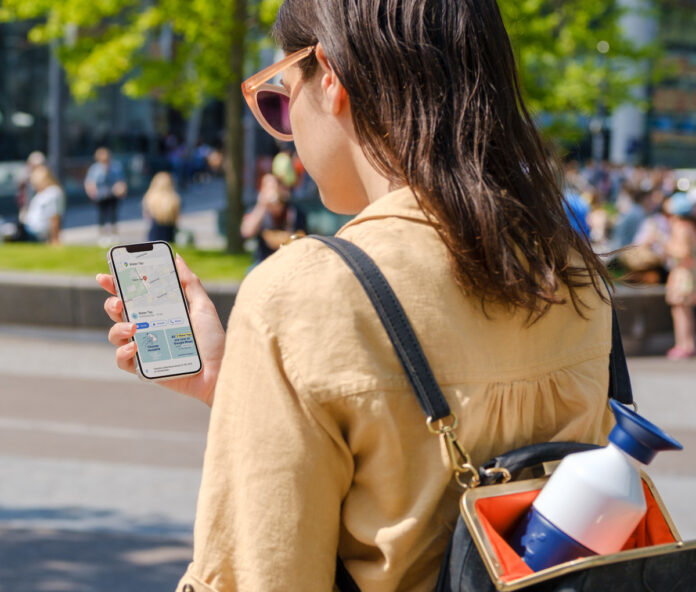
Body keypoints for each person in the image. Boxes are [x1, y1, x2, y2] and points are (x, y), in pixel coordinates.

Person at [97, 2, 616, 590]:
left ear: (331, 76)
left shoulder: (305, 292)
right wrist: (240, 388)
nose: (285, 128)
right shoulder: (570, 269)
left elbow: (261, 573)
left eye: (279, 96)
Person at [240, 172, 307, 263]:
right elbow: (247, 232)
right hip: (263, 261)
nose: (273, 190)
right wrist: (261, 206)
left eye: (276, 186)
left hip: (288, 260)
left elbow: (302, 236)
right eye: (268, 187)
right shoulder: (258, 211)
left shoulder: (294, 211)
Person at [664, 192, 696, 359]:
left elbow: (682, 252)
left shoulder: (680, 226)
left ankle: (683, 345)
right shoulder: (690, 226)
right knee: (685, 311)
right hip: (688, 272)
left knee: (680, 310)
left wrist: (666, 245)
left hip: (682, 273)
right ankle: (688, 344)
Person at [4, 165, 65, 244]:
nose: (34, 187)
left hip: (35, 231)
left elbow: (54, 218)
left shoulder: (53, 193)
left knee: (8, 231)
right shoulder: (43, 193)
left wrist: (55, 240)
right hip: (29, 227)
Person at [84, 147, 127, 244]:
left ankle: (114, 234)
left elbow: (121, 180)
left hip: (113, 194)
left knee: (113, 214)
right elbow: (89, 181)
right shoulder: (95, 168)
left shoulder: (116, 166)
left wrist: (122, 189)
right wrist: (91, 191)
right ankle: (103, 235)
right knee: (102, 215)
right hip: (100, 195)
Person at [142, 172, 181, 243]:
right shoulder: (174, 199)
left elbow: (147, 217)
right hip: (169, 233)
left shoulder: (150, 198)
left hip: (154, 233)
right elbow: (176, 219)